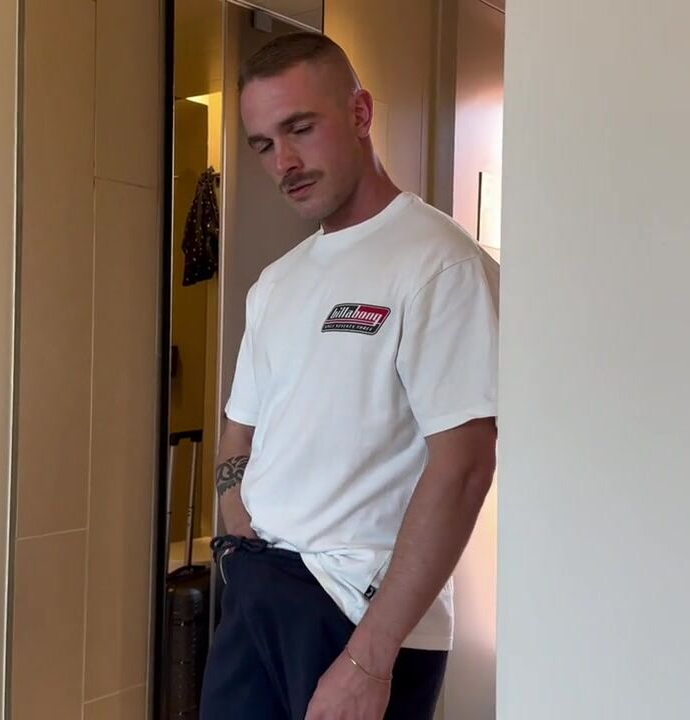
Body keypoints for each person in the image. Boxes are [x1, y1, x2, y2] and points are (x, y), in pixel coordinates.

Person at [200, 31, 499, 720]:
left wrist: (371, 657)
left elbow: (463, 467)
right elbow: (240, 429)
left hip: (355, 616)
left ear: (360, 113)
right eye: (264, 144)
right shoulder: (277, 282)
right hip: (257, 591)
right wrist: (239, 528)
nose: (284, 162)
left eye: (300, 129)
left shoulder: (440, 264)